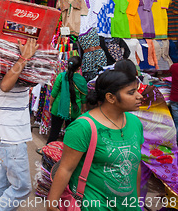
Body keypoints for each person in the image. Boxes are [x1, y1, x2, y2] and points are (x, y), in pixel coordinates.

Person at [47, 69, 144, 211]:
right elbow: (66, 168)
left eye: (137, 90)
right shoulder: (83, 127)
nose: (139, 96)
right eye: (131, 92)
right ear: (111, 98)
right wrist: (51, 204)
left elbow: (135, 164)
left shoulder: (135, 123)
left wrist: (136, 201)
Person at [114, 60, 178, 199]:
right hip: (156, 144)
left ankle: (137, 206)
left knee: (135, 182)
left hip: (131, 145)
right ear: (136, 73)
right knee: (171, 179)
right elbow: (164, 122)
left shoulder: (116, 95)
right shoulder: (150, 91)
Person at [0, 38, 38, 211]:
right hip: (11, 138)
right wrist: (24, 58)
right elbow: (6, 85)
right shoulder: (10, 68)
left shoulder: (10, 67)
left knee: (6, 183)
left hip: (8, 136)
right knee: (22, 188)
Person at [44, 56, 87, 146]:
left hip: (58, 107)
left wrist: (51, 105)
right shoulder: (82, 80)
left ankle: (48, 152)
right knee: (70, 134)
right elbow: (83, 98)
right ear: (79, 67)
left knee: (54, 132)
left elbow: (54, 93)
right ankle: (66, 154)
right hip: (74, 111)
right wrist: (83, 110)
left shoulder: (61, 76)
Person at [169, 63, 178, 141]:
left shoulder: (174, 66)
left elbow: (169, 71)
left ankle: (174, 141)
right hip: (174, 98)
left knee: (176, 122)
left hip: (174, 98)